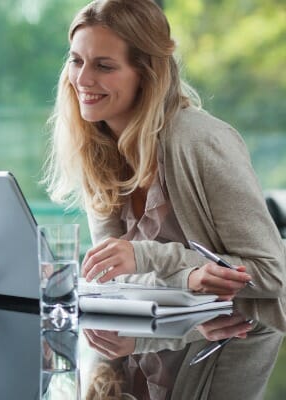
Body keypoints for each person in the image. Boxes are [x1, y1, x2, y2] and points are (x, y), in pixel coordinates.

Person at [43, 0, 286, 300]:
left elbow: (273, 273)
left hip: (243, 336)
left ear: (146, 75)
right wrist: (185, 278)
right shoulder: (96, 147)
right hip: (160, 337)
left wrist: (148, 257)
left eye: (103, 66)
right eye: (76, 60)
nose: (81, 80)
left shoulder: (203, 141)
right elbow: (112, 278)